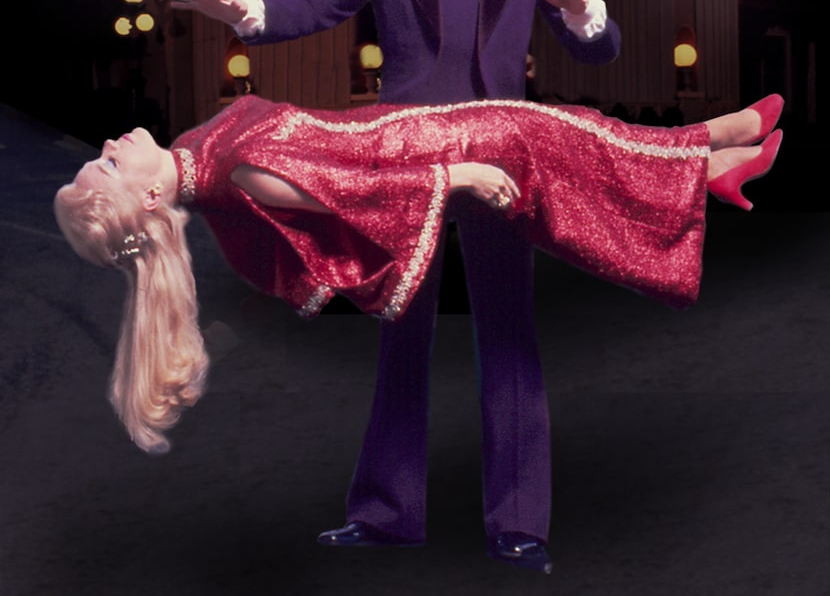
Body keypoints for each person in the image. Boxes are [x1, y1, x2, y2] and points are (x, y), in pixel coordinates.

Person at [170, 0, 622, 574]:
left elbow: (599, 52)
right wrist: (244, 11)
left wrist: (580, 8)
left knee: (509, 332)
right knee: (400, 327)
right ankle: (386, 512)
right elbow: (314, 5)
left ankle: (520, 522)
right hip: (405, 156)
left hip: (499, 155)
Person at [54, 92, 783, 466]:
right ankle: (708, 160)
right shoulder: (236, 174)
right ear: (150, 200)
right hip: (429, 146)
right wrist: (453, 172)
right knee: (552, 139)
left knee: (563, 132)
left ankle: (713, 147)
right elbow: (351, 190)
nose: (115, 143)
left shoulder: (191, 152)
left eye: (105, 153)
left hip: (411, 123)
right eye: (112, 162)